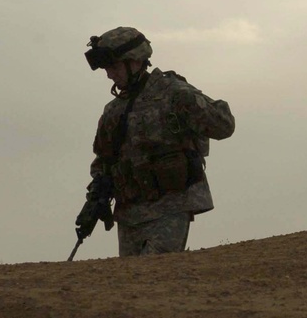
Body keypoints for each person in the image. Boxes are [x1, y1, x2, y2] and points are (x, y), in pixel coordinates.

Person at [77, 26, 235, 256]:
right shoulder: (113, 111)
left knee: (152, 270)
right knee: (132, 282)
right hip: (129, 213)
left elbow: (224, 126)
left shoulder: (174, 93)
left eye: (113, 66)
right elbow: (103, 161)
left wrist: (192, 105)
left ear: (135, 61)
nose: (109, 74)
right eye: (106, 68)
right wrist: (95, 199)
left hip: (171, 207)